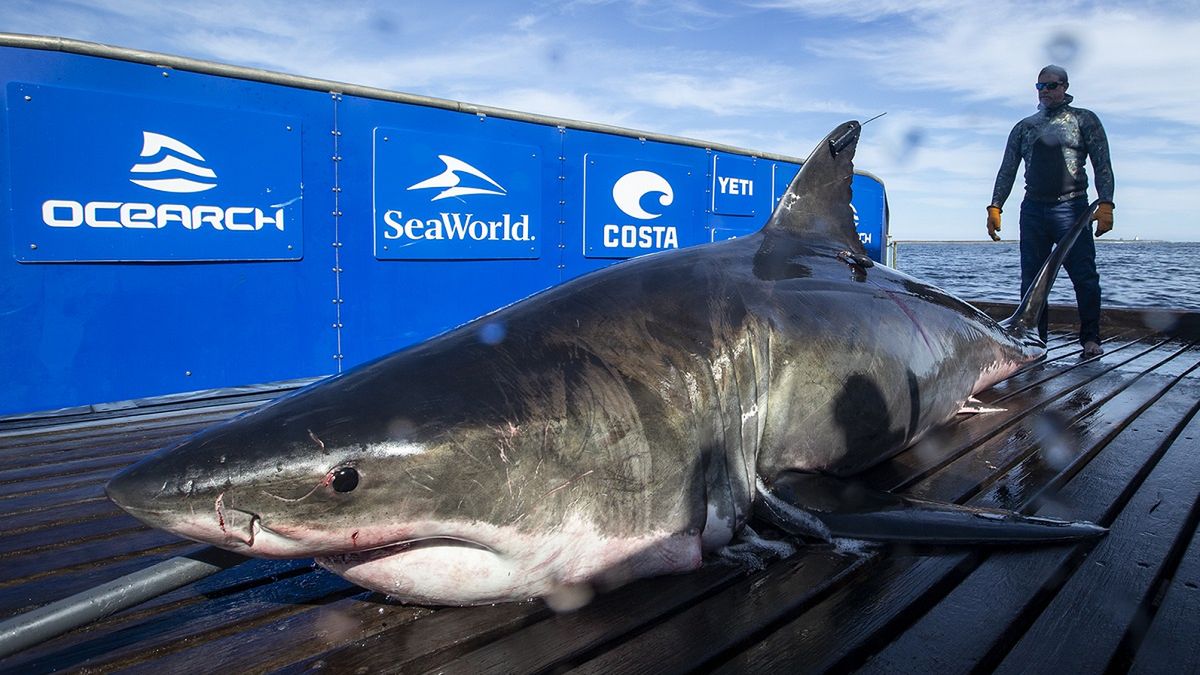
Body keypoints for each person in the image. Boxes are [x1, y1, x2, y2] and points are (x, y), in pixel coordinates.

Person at [987, 64, 1115, 358]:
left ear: (1065, 87)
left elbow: (1102, 164)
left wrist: (1105, 202)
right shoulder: (1024, 127)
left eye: (1051, 86)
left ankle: (1090, 338)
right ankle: (1035, 339)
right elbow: (1007, 170)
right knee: (1032, 279)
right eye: (1040, 87)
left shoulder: (1084, 120)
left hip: (1072, 209)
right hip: (1032, 209)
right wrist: (995, 205)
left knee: (1084, 276)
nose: (1045, 91)